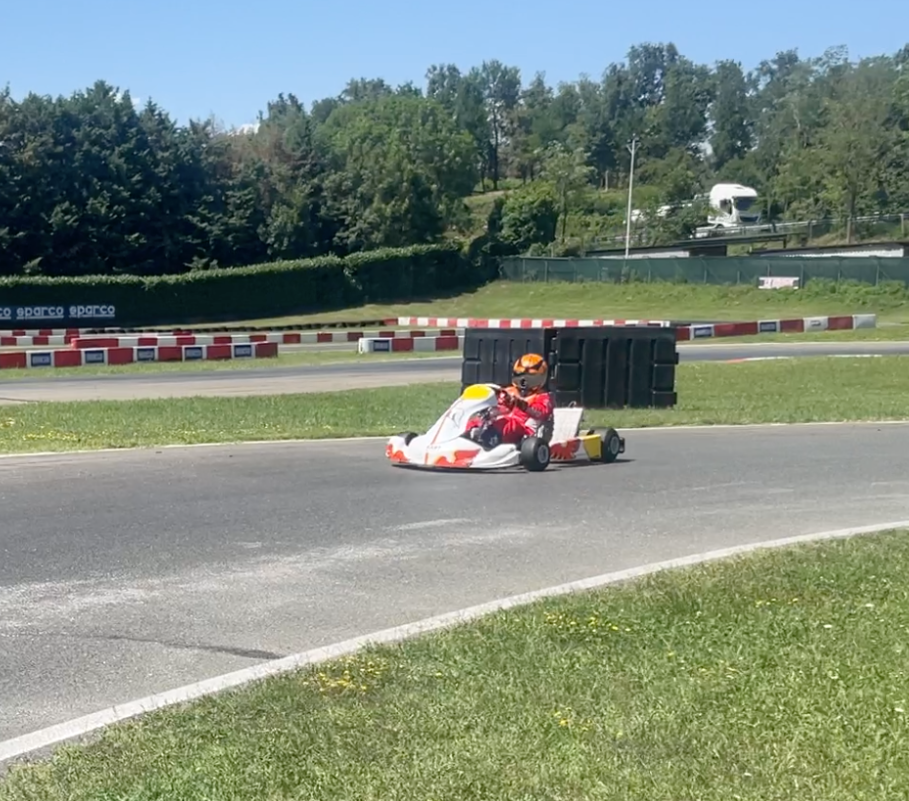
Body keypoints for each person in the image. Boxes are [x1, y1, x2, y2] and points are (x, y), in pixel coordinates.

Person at [467, 353, 554, 448]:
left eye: (530, 378)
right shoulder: (510, 391)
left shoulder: (543, 397)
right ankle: (468, 437)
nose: (524, 382)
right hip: (502, 424)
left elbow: (541, 413)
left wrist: (522, 405)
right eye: (520, 376)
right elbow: (501, 407)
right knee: (476, 420)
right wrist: (490, 410)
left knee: (509, 424)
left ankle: (489, 440)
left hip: (525, 431)